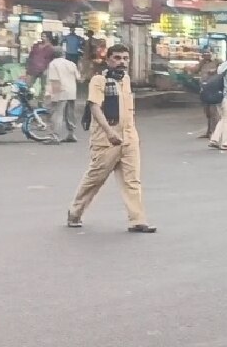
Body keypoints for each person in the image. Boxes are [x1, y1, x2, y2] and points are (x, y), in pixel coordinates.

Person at [66, 44, 155, 232]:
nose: (121, 61)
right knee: (95, 178)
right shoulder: (99, 80)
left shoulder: (126, 80)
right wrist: (109, 131)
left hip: (129, 137)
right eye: (117, 58)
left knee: (132, 180)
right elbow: (95, 107)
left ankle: (137, 220)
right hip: (106, 138)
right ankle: (75, 212)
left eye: (125, 58)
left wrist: (131, 135)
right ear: (108, 60)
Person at [45, 48, 81, 143]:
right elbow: (78, 77)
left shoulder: (53, 64)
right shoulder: (71, 63)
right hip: (71, 90)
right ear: (64, 54)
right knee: (70, 114)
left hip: (60, 90)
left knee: (57, 113)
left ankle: (54, 136)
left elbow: (54, 79)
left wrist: (51, 95)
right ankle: (71, 133)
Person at [25, 34, 56, 105]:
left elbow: (51, 60)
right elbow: (30, 56)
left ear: (48, 38)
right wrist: (27, 67)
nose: (42, 38)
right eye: (42, 36)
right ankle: (27, 100)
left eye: (44, 36)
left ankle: (40, 101)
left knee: (43, 87)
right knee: (28, 85)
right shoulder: (36, 46)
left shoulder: (50, 48)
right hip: (33, 68)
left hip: (44, 69)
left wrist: (47, 69)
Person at [195, 51, 220, 139]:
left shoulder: (217, 62)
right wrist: (201, 63)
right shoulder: (202, 63)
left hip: (213, 88)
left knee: (213, 112)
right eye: (204, 54)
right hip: (204, 88)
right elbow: (195, 70)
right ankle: (208, 131)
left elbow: (221, 71)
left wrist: (215, 71)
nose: (206, 56)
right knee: (207, 112)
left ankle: (214, 132)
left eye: (208, 54)